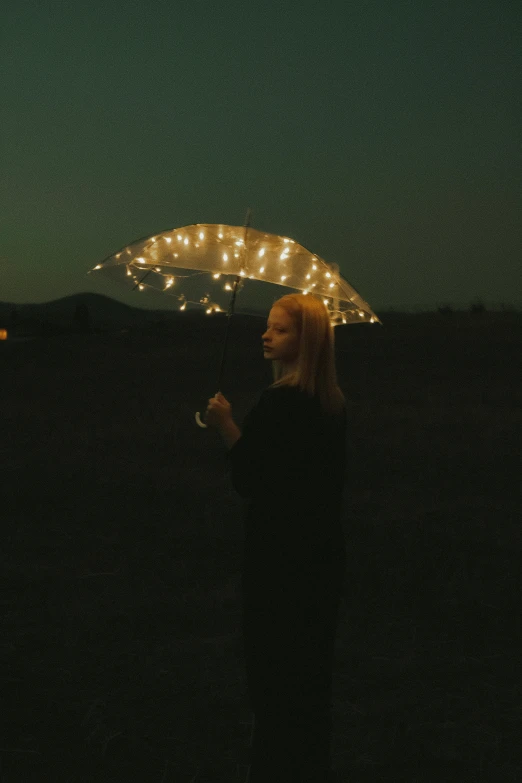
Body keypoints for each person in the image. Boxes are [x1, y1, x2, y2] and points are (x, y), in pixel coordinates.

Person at [206, 294, 348, 782]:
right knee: (308, 675)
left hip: (277, 560)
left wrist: (226, 425)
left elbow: (252, 479)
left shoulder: (281, 401)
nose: (265, 335)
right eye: (267, 327)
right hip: (320, 559)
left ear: (304, 341)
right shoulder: (331, 402)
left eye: (280, 330)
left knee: (272, 674)